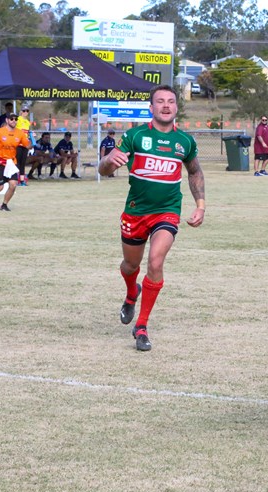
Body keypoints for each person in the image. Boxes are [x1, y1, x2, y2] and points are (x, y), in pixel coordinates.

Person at [98, 84, 206, 352]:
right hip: (135, 212)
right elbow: (104, 169)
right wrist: (110, 160)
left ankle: (142, 325)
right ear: (152, 107)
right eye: (160, 101)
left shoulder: (185, 142)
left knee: (156, 261)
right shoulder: (134, 136)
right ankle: (131, 292)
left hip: (167, 211)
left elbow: (194, 172)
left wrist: (200, 205)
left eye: (171, 101)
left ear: (176, 108)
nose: (166, 105)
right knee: (129, 265)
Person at [0, 113, 30, 212]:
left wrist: (32, 141)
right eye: (12, 119)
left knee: (13, 184)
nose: (14, 120)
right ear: (7, 120)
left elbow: (27, 145)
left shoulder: (20, 133)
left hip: (12, 162)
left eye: (16, 119)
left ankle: (4, 205)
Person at [15, 107, 33, 186]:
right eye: (24, 111)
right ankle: (16, 179)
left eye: (27, 111)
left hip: (25, 144)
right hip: (18, 143)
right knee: (17, 162)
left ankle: (22, 180)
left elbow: (28, 133)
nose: (25, 112)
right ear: (21, 111)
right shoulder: (18, 119)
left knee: (23, 162)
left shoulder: (27, 122)